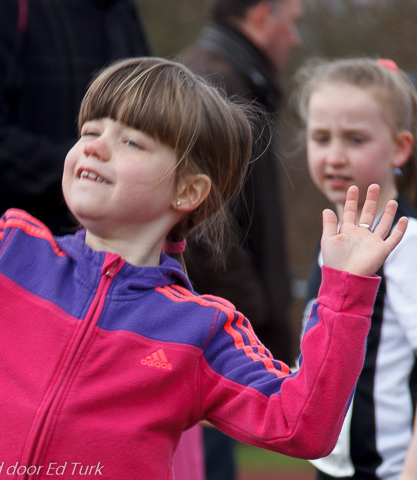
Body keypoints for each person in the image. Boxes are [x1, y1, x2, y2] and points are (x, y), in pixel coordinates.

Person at [0, 50, 406, 479]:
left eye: (131, 142)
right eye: (91, 130)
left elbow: (302, 424)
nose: (94, 146)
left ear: (187, 191)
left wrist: (345, 290)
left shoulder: (200, 332)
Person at [178, 1, 303, 476]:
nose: (294, 40)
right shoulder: (213, 84)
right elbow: (204, 232)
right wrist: (251, 319)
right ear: (260, 16)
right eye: (291, 24)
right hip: (212, 343)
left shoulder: (234, 78)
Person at [294, 57, 417, 480]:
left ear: (400, 147)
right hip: (330, 467)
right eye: (321, 137)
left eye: (355, 139)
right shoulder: (333, 236)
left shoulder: (408, 241)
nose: (334, 156)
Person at [0, 0, 152, 235]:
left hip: (105, 257)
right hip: (1, 250)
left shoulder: (120, 10)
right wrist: (82, 170)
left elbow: (145, 123)